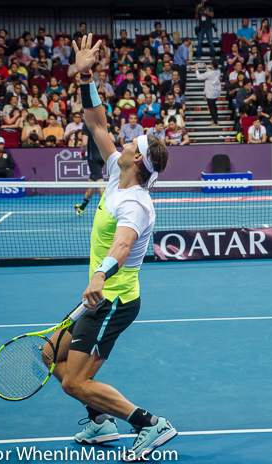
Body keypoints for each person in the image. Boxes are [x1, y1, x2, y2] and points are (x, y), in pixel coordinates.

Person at [52, 36, 174, 462]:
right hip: (100, 293)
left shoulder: (136, 203)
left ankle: (150, 424)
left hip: (114, 298)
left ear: (138, 161)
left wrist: (100, 275)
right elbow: (97, 122)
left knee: (75, 381)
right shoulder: (113, 173)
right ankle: (101, 424)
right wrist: (86, 75)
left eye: (131, 144)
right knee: (53, 354)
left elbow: (122, 246)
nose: (123, 143)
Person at [74, 121, 116, 215]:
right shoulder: (103, 124)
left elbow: (84, 143)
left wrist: (82, 153)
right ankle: (82, 207)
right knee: (91, 184)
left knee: (100, 185)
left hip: (93, 158)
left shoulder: (87, 125)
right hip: (103, 157)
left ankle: (108, 211)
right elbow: (113, 139)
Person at [195, 60, 221, 126]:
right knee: (214, 105)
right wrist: (206, 68)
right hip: (216, 91)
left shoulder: (209, 73)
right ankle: (216, 118)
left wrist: (196, 69)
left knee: (211, 107)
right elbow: (212, 72)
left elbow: (199, 77)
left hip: (210, 92)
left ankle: (215, 122)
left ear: (212, 65)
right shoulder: (218, 71)